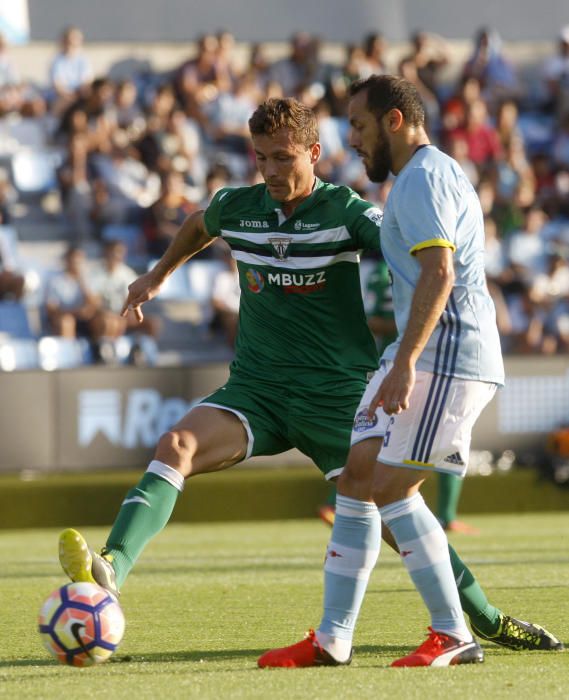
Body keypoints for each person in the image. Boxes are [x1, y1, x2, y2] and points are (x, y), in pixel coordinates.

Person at [56, 97, 561, 658]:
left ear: (314, 154)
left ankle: (484, 618)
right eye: (261, 158)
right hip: (257, 390)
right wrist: (155, 274)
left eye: (283, 158)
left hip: (337, 395)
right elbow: (200, 224)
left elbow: (410, 250)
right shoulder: (238, 207)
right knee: (176, 443)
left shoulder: (348, 212)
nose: (271, 171)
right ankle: (112, 569)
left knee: (398, 512)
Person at [257, 78, 563, 670]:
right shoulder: (418, 178)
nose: (353, 138)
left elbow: (440, 274)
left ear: (394, 121)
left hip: (447, 354)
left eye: (361, 126)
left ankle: (453, 633)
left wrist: (403, 365)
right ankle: (333, 638)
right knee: (356, 479)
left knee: (393, 489)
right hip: (420, 350)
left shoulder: (423, 176)